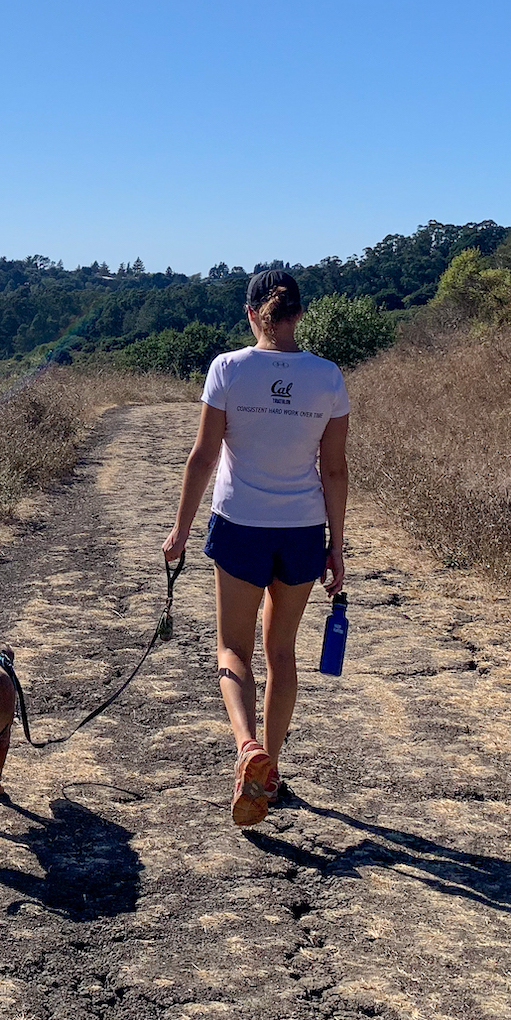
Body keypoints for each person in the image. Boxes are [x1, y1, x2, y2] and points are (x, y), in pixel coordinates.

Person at [162, 268, 348, 827]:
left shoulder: (228, 369)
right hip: (301, 532)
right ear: (298, 314)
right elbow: (334, 470)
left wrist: (179, 531)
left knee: (232, 652)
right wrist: (336, 546)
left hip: (240, 525)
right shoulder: (327, 377)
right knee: (282, 653)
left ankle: (248, 750)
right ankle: (274, 768)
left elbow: (203, 456)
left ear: (252, 315)